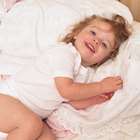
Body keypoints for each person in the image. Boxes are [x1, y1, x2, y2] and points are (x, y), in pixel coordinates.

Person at [0, 14, 131, 140]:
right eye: (93, 33)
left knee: (48, 137)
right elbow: (66, 90)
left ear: (101, 61)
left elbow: (69, 100)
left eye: (104, 44)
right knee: (32, 124)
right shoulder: (64, 53)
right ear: (76, 33)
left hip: (29, 113)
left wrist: (93, 100)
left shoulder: (87, 74)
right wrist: (101, 86)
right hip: (8, 99)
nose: (96, 40)